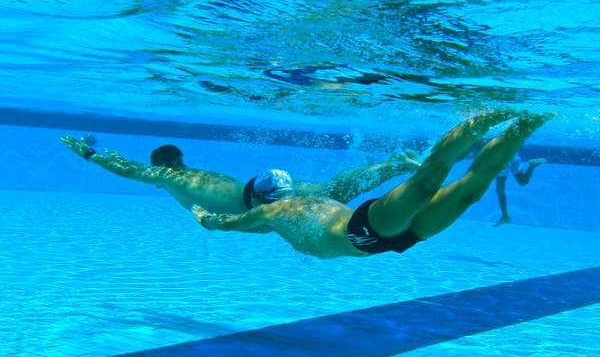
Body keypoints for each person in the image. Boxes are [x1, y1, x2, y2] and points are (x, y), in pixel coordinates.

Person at [192, 111, 554, 259]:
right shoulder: (299, 202)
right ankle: (525, 124)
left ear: (256, 195)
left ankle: (486, 117)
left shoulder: (269, 211)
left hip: (363, 230)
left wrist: (206, 218)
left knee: (427, 183)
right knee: (470, 192)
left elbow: (231, 223)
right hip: (382, 238)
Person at [60, 136, 420, 213]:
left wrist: (89, 153)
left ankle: (395, 169)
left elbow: (128, 170)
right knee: (331, 188)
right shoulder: (191, 174)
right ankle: (392, 165)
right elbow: (129, 165)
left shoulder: (172, 178)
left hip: (255, 202)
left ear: (163, 166)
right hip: (258, 187)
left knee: (332, 197)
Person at [493, 155, 547, 226]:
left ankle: (505, 216)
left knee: (500, 190)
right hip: (513, 156)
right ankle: (532, 165)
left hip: (502, 159)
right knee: (522, 181)